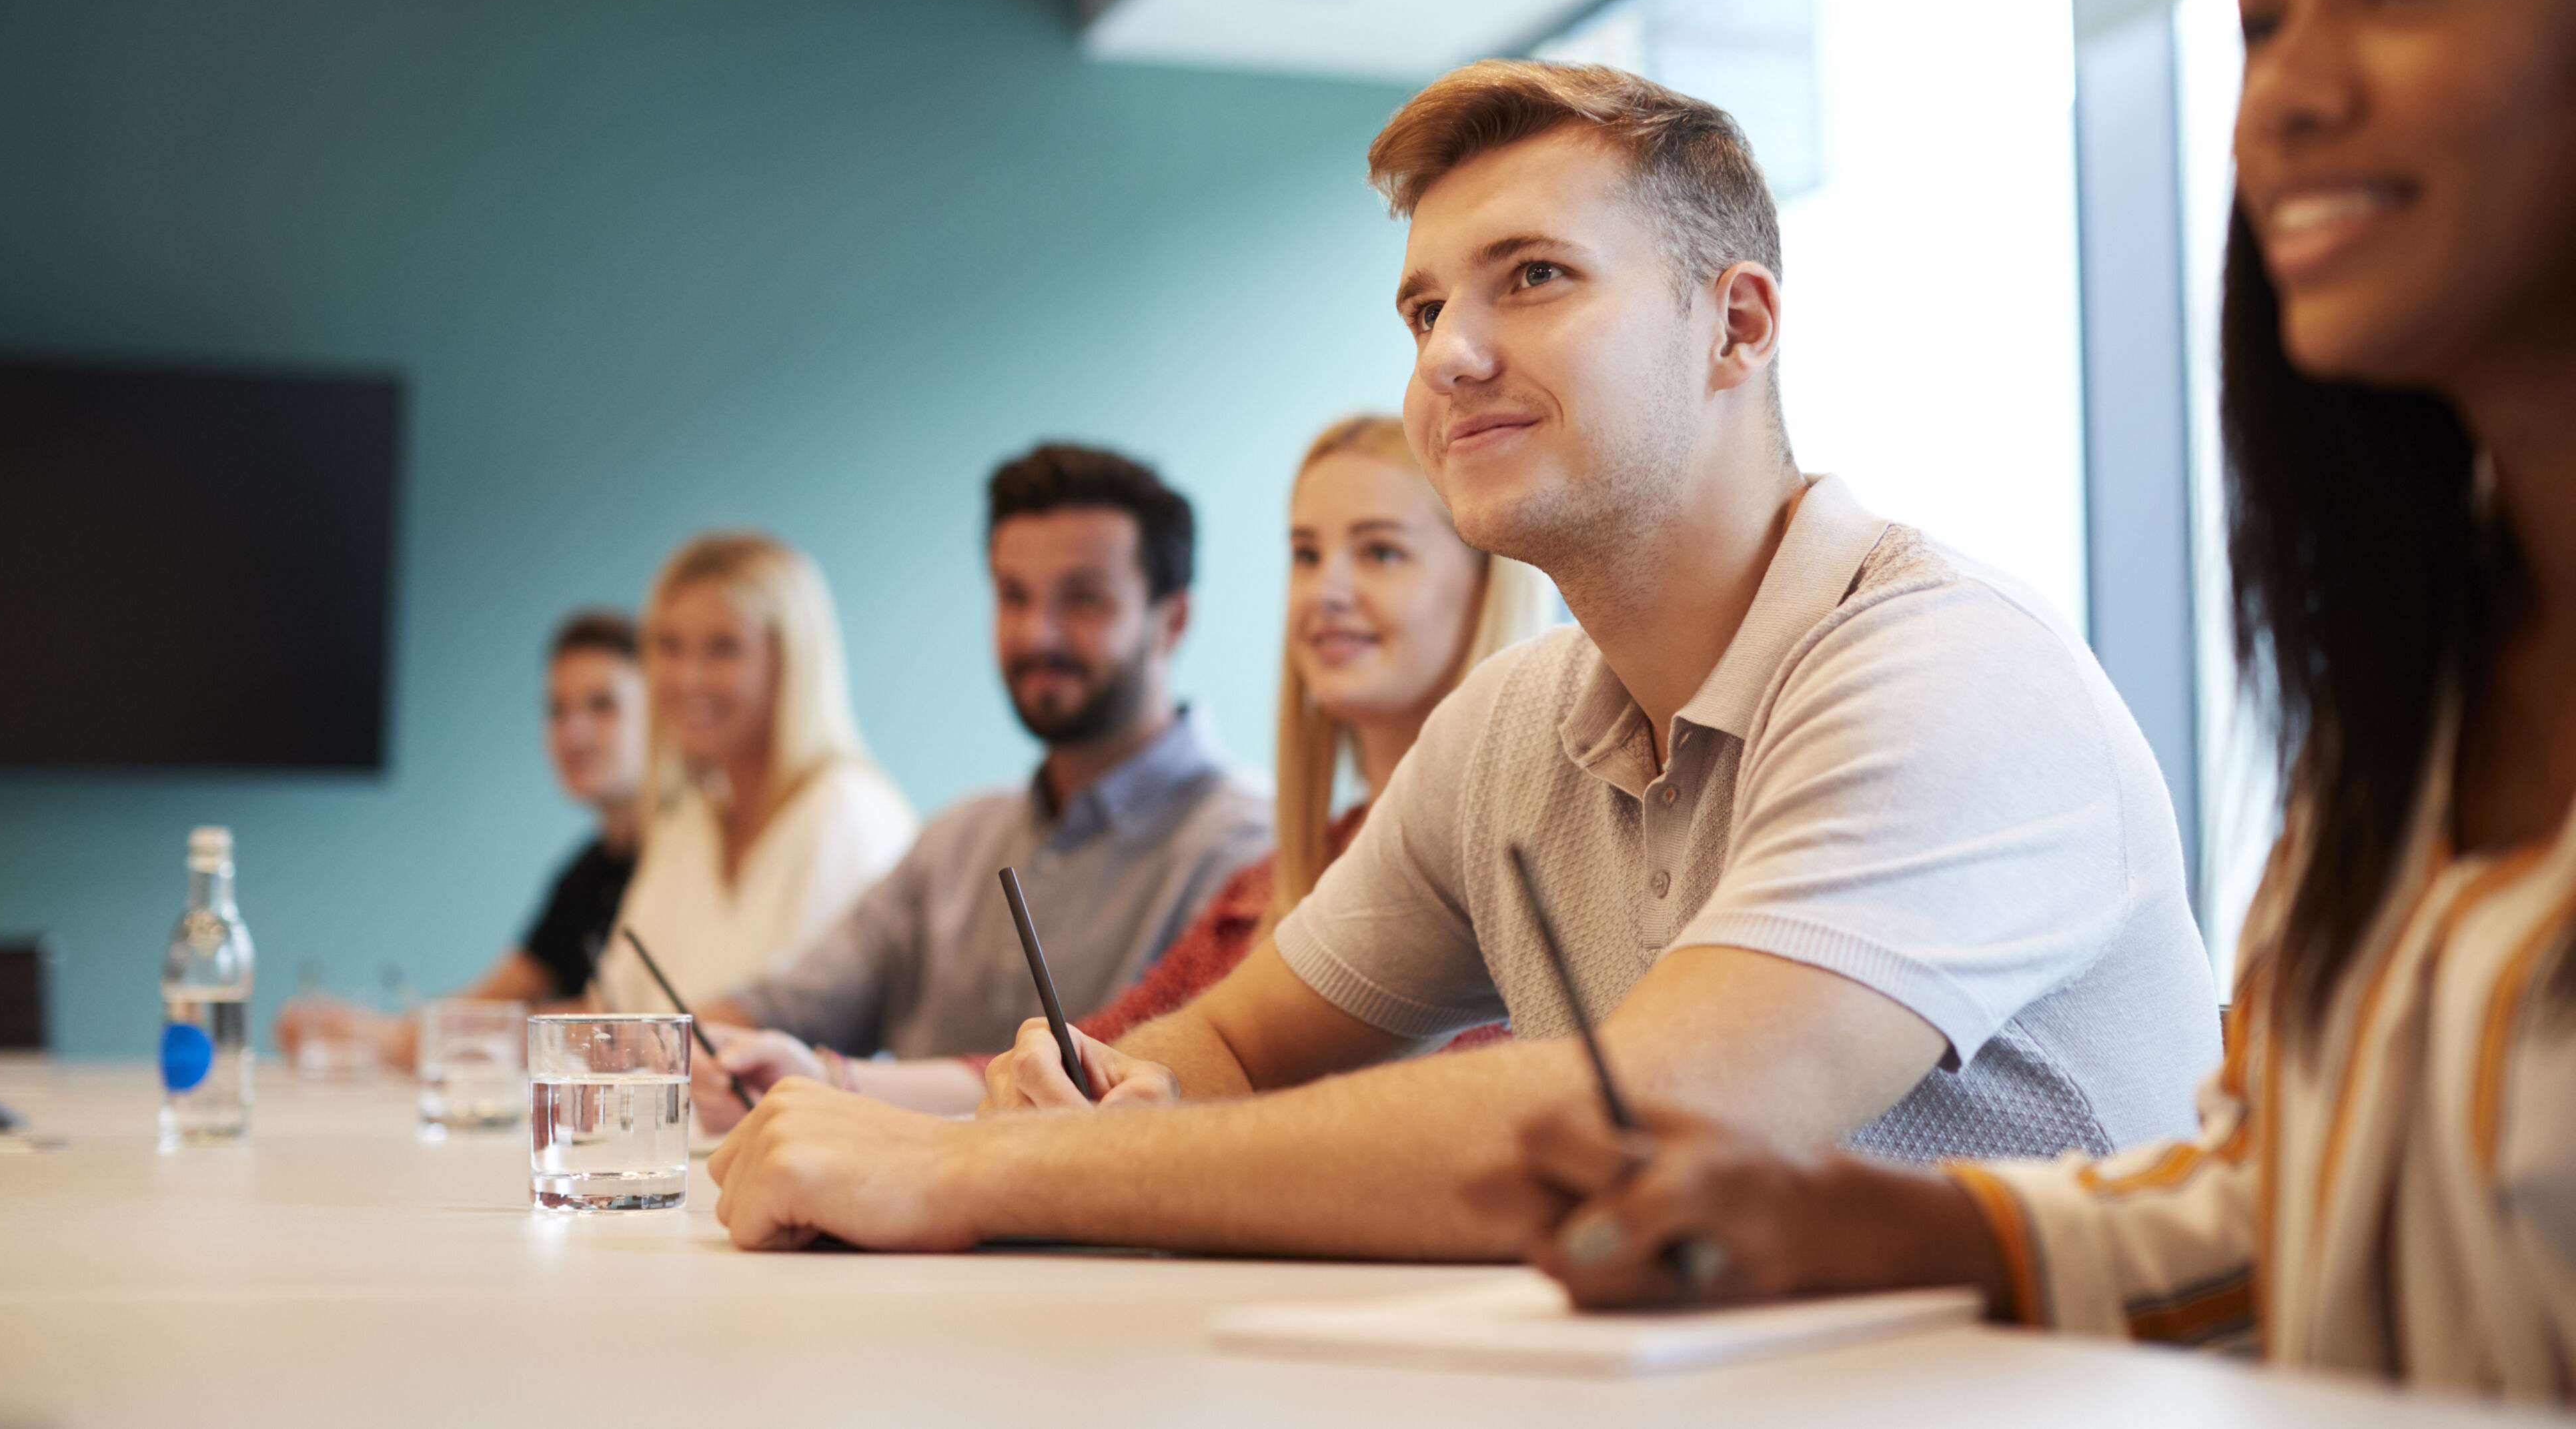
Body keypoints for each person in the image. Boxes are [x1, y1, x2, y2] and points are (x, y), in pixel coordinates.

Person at [1509, 0, 2576, 1400]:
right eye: (2265, 15)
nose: (2290, 93)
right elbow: (2284, 1200)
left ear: (1739, 328)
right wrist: (1882, 1225)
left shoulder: (1940, 661)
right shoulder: (2425, 673)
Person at [701, 61, 2220, 1258]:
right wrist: (1114, 1092)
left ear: (1736, 325)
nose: (1445, 354)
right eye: (1424, 305)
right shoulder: (1513, 720)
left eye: (1533, 279)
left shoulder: (1944, 673)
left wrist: (1003, 1167)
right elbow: (1234, 1033)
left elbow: (1636, 1123)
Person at [691, 418, 1553, 1121]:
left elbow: (1433, 1126)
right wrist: (830, 1081)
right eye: (1304, 554)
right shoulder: (1266, 882)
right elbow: (1103, 1051)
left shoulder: (1480, 860)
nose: (1325, 590)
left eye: (1379, 551)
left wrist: (935, 1154)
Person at [686, 446, 1271, 1122]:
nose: (1035, 633)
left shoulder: (1247, 850)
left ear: (1171, 620)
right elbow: (791, 1003)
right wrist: (697, 1049)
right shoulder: (958, 838)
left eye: (1082, 599)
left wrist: (833, 1079)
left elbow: (1177, 1078)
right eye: (1012, 595)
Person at [275, 609, 650, 1069]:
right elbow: (491, 999)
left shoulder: (683, 864)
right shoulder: (585, 873)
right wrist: (372, 1030)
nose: (574, 731)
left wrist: (392, 1038)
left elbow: (620, 1022)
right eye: (557, 709)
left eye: (602, 705)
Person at [589, 532, 916, 1012]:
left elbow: (839, 1027)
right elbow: (612, 1014)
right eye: (670, 646)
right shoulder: (686, 823)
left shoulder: (849, 816)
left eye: (723, 648)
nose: (688, 678)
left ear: (791, 661)